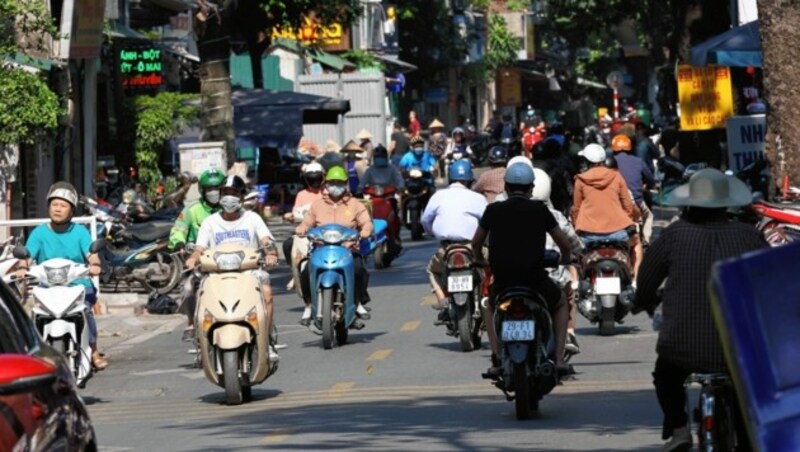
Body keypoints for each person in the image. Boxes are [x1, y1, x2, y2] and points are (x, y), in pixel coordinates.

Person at [634, 168, 767, 451]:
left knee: (666, 375)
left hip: (682, 347)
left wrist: (643, 302)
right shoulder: (749, 236)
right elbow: (770, 284)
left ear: (690, 203)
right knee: (747, 391)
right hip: (739, 349)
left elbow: (645, 283)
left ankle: (680, 429)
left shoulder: (674, 234)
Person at [471, 163, 573, 376]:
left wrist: (481, 260)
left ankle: (498, 358)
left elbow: (476, 243)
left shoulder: (493, 210)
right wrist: (565, 259)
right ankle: (559, 359)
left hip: (504, 282)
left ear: (506, 188)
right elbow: (564, 244)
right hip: (535, 281)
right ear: (531, 188)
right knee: (562, 302)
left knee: (488, 306)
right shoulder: (540, 210)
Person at [185, 175, 280, 361]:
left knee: (267, 293)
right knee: (198, 294)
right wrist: (193, 257)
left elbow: (266, 240)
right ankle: (201, 342)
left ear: (242, 197)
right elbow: (199, 248)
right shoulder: (210, 222)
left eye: (234, 193)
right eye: (226, 193)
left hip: (249, 271)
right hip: (216, 273)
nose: (229, 197)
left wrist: (271, 253)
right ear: (220, 197)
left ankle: (266, 341)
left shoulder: (253, 219)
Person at [20, 182, 107, 369]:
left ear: (72, 210)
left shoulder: (80, 232)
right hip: (48, 286)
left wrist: (95, 264)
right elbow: (27, 256)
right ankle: (35, 351)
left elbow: (91, 254)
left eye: (63, 205)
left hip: (78, 284)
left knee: (86, 311)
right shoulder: (39, 233)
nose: (57, 209)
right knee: (36, 313)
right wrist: (21, 266)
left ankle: (93, 349)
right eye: (54, 204)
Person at [295, 166, 374, 326]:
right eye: (332, 182)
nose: (335, 186)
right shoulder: (318, 205)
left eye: (339, 183)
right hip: (321, 248)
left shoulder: (355, 204)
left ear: (346, 184)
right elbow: (307, 221)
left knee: (358, 270)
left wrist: (365, 230)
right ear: (326, 184)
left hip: (348, 248)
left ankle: (357, 303)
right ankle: (309, 305)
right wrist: (302, 228)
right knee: (305, 271)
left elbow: (366, 222)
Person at [421, 160, 487, 310]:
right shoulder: (477, 198)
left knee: (432, 270)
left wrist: (431, 232)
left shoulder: (438, 196)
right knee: (492, 265)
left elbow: (425, 220)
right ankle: (488, 297)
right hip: (473, 248)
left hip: (446, 249)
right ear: (469, 180)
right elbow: (489, 221)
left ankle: (442, 299)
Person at [168, 168, 224, 339]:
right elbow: (178, 229)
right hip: (201, 261)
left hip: (229, 260)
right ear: (202, 190)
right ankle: (192, 322)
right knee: (188, 288)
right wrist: (179, 242)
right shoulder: (192, 210)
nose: (213, 193)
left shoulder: (230, 208)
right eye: (209, 189)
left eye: (217, 189)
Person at [572, 143, 637, 254]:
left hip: (589, 234)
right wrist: (626, 221)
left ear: (586, 161)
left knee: (576, 261)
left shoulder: (581, 180)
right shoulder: (616, 175)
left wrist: (576, 225)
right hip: (618, 233)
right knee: (635, 247)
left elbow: (576, 208)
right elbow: (628, 205)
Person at [282, 162, 326, 291]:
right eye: (311, 179)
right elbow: (297, 213)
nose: (314, 182)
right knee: (288, 244)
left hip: (325, 232)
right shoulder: (301, 195)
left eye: (317, 178)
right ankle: (295, 272)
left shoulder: (328, 192)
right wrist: (290, 216)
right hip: (306, 232)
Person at [613, 134, 655, 250]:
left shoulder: (611, 162)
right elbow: (650, 179)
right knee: (649, 216)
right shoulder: (638, 161)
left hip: (617, 202)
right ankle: (646, 239)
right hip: (637, 201)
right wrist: (647, 186)